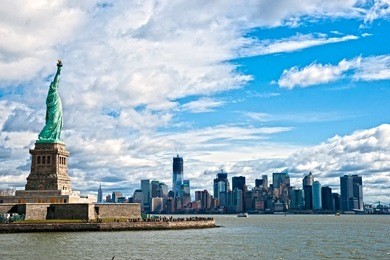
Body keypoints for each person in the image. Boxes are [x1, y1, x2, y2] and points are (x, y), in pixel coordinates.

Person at [37, 60, 63, 143]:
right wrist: (58, 70)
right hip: (54, 110)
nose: (56, 85)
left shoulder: (56, 94)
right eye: (55, 85)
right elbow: (56, 80)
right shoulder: (52, 92)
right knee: (53, 122)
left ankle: (53, 136)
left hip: (57, 110)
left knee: (57, 123)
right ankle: (42, 136)